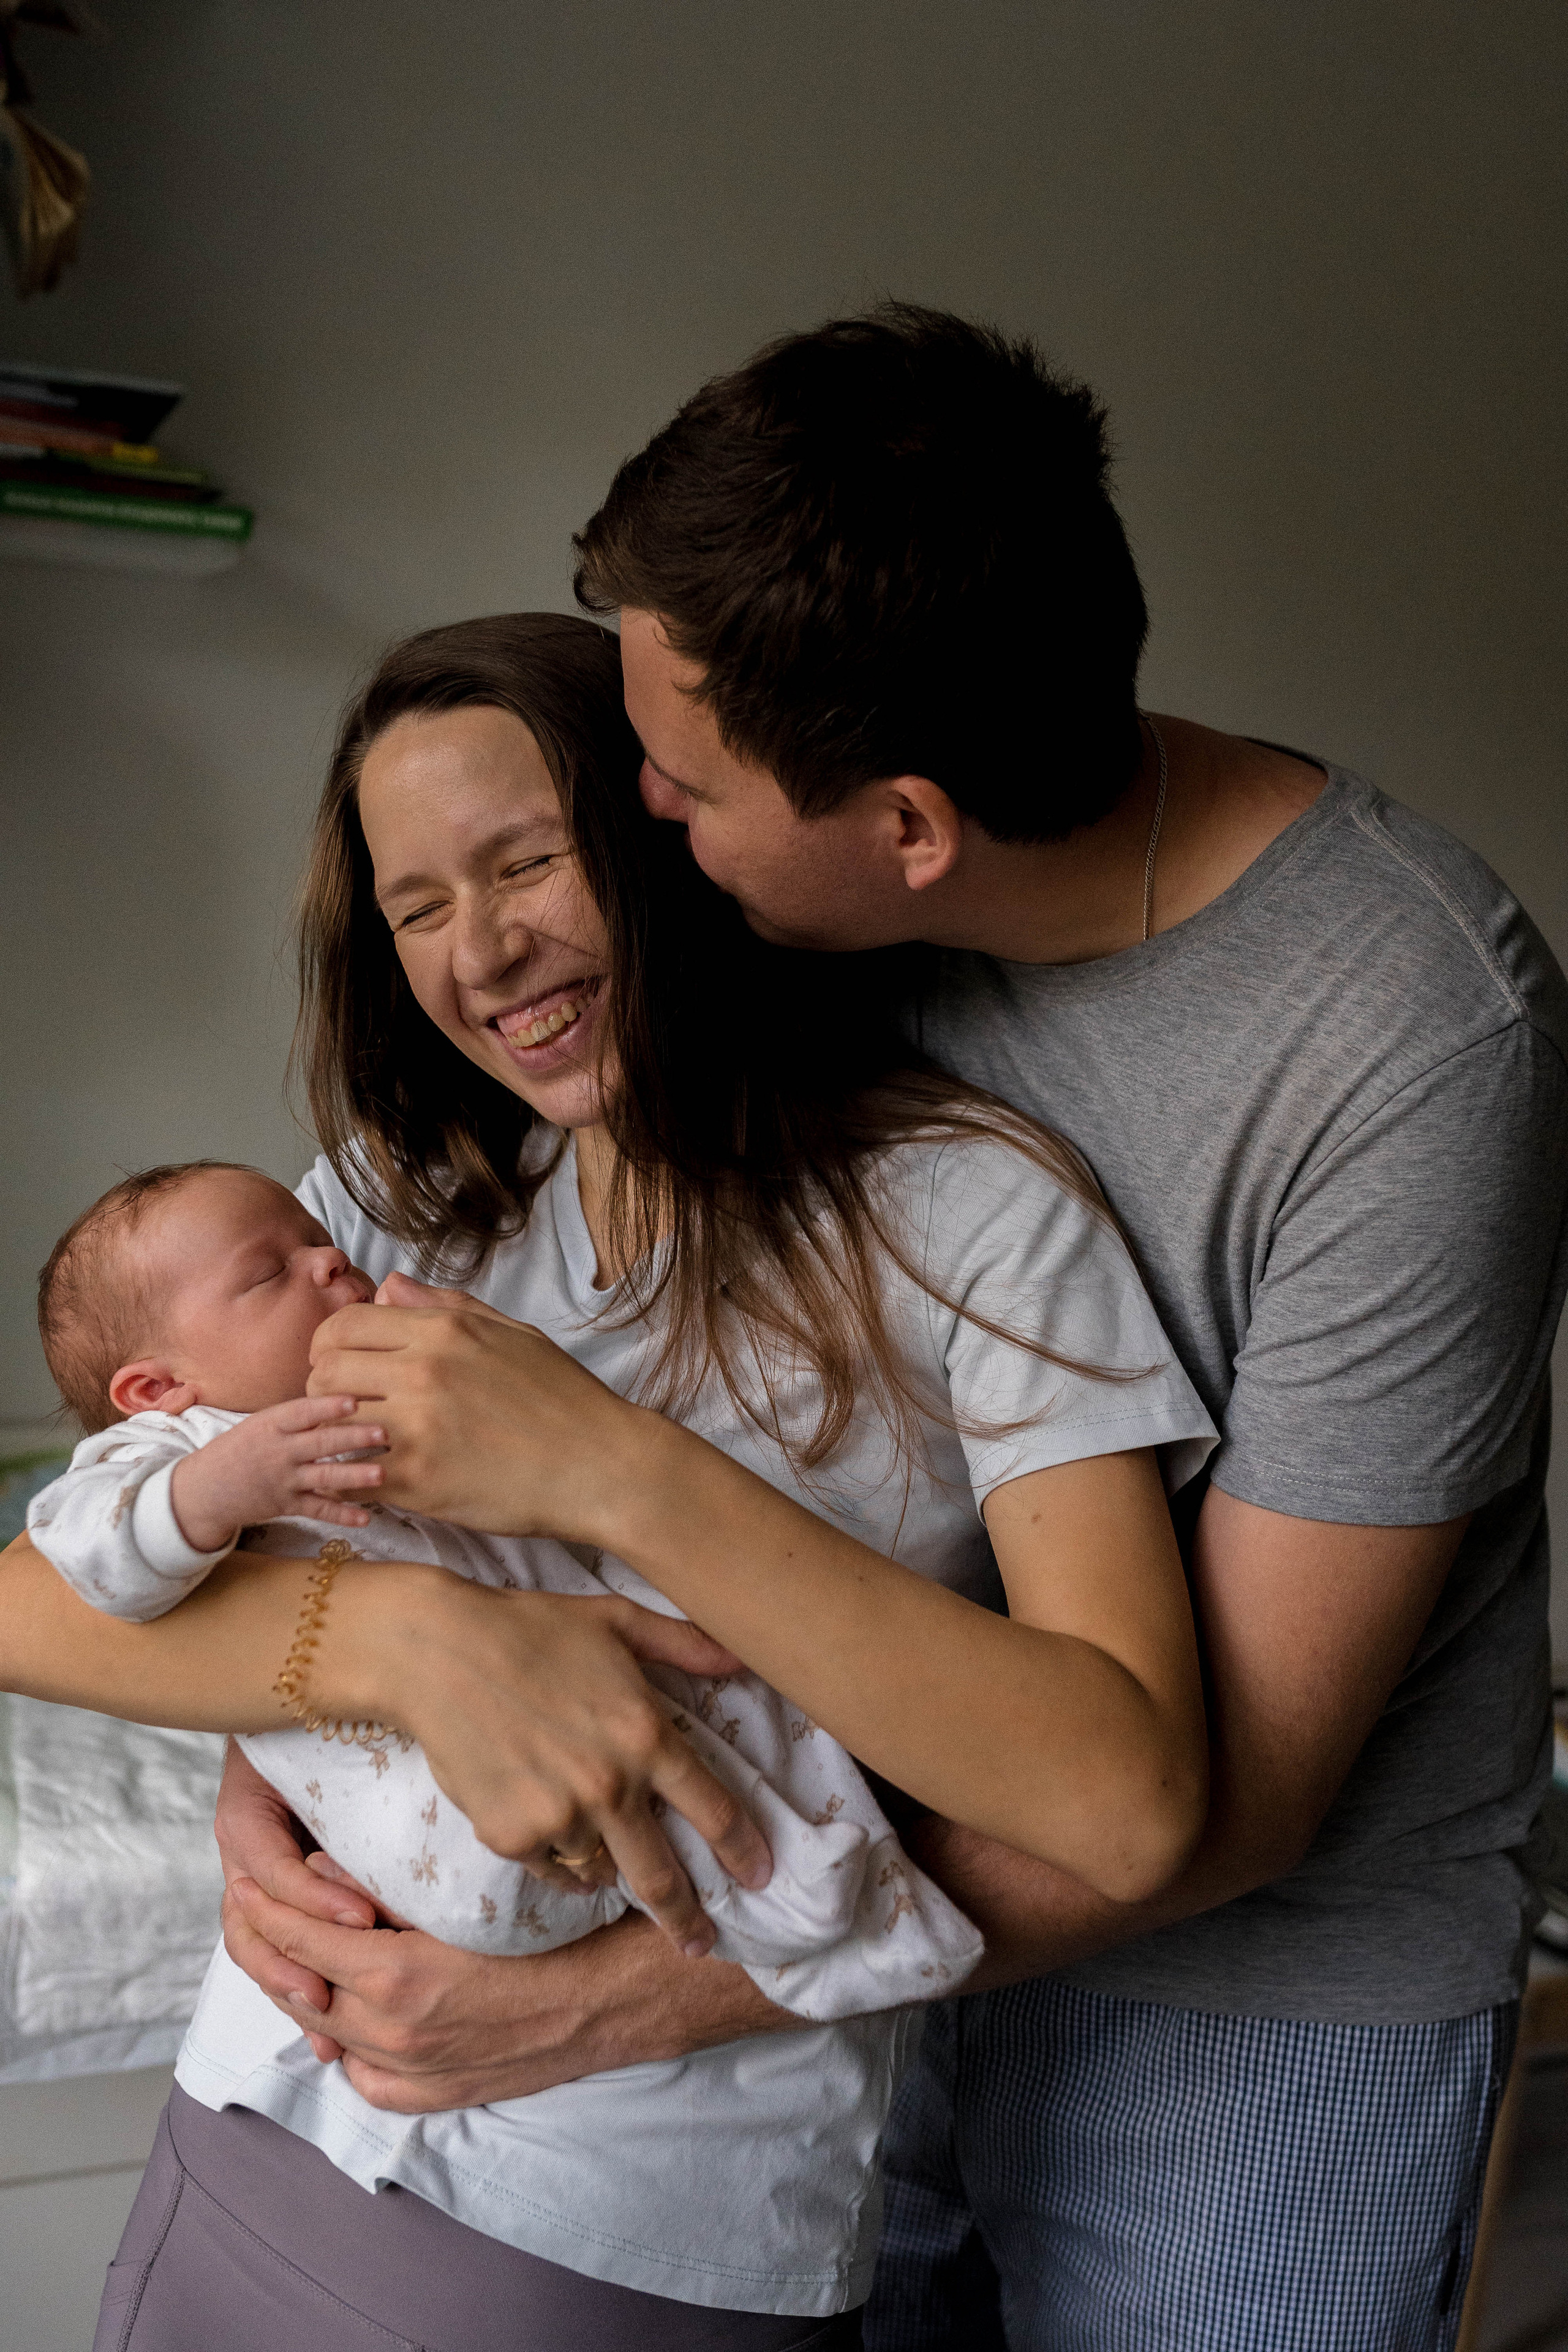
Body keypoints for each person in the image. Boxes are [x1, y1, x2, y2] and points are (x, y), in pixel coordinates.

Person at [209, 306, 1564, 2352]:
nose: (639, 812)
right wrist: (325, 1744)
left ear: (906, 831)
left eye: (674, 782)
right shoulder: (788, 931)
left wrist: (623, 1990)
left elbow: (1231, 1795)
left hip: (1250, 1994)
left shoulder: (1407, 1039)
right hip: (835, 1907)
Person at [0, 612, 1216, 2350]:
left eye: (528, 861)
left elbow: (1129, 1796)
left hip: (616, 2223)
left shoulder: (972, 1218)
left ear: (670, 829)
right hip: (265, 2103)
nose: (484, 952)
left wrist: (611, 1473)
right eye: (420, 908)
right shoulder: (392, 1205)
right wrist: (413, 1644)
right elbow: (39, 1598)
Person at [27, 1158, 983, 2008]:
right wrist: (224, 1484)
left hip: (567, 1723)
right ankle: (789, 1914)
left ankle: (847, 1890)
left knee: (724, 1698)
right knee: (665, 1775)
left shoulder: (370, 1384)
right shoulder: (170, 1450)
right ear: (156, 1389)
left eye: (317, 1242)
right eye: (268, 1274)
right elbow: (86, 1556)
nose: (327, 1261)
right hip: (458, 1827)